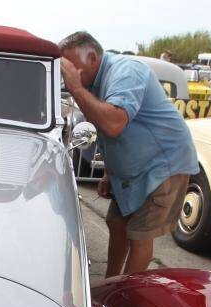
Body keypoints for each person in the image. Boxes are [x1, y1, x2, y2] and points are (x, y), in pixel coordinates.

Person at [59, 31, 199, 276]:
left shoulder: (126, 71)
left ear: (92, 58)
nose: (67, 73)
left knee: (140, 236)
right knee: (116, 223)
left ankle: (125, 296)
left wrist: (76, 88)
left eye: (72, 66)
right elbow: (105, 130)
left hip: (163, 165)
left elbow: (113, 123)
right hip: (134, 168)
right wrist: (108, 175)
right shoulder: (94, 82)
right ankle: (110, 283)